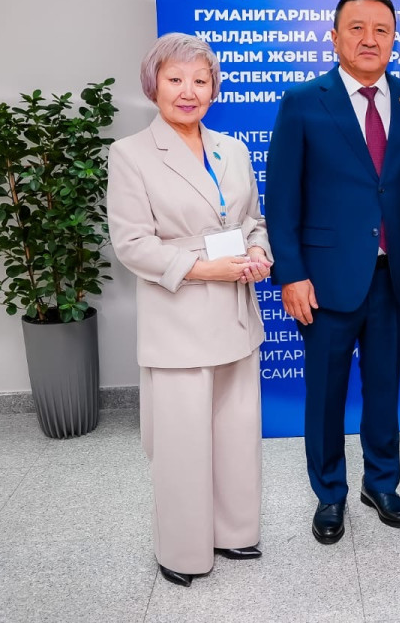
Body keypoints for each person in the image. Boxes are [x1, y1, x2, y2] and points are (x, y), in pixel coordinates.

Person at [267, 0, 400, 545]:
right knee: (325, 394)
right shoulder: (303, 101)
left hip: (391, 276)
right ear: (334, 37)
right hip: (323, 280)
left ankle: (381, 484)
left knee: (384, 389)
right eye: (356, 28)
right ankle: (330, 493)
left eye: (381, 30)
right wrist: (292, 273)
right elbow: (281, 198)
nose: (369, 39)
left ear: (394, 39)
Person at [108, 33, 272, 587]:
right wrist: (205, 269)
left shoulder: (233, 149)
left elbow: (252, 221)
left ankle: (235, 531)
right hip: (178, 317)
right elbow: (132, 244)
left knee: (236, 432)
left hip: (235, 311)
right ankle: (181, 551)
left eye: (200, 80)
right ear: (153, 85)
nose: (188, 91)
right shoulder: (131, 154)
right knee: (181, 444)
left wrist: (258, 252)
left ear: (214, 88)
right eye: (175, 79)